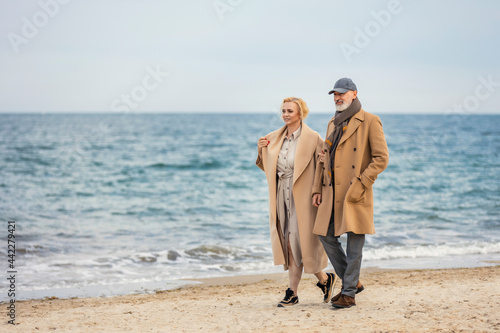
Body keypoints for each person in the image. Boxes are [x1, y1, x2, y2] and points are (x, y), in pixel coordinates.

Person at [312, 78, 389, 309]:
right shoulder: (332, 122)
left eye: (342, 94)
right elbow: (323, 158)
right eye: (335, 94)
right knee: (325, 234)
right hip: (332, 191)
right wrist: (317, 188)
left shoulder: (370, 121)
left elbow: (381, 159)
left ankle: (348, 293)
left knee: (355, 243)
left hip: (355, 191)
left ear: (354, 94)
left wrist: (361, 183)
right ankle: (352, 283)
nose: (338, 97)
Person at [256, 97, 338, 307]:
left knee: (297, 244)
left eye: (290, 111)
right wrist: (261, 149)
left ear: (300, 113)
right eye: (283, 110)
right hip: (281, 193)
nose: (285, 114)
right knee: (289, 241)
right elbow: (267, 167)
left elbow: (324, 165)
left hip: (302, 196)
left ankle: (292, 293)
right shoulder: (274, 138)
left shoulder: (313, 137)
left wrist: (317, 189)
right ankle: (324, 279)